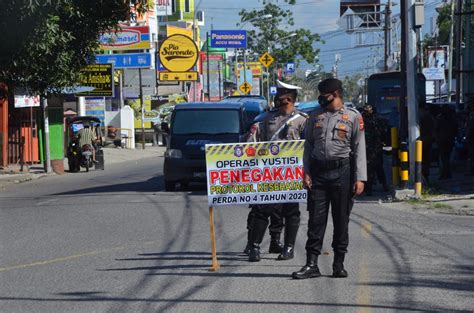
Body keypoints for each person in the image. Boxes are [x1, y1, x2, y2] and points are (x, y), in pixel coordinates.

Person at [292, 78, 366, 279]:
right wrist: (305, 171)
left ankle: (338, 264)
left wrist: (360, 178)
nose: (321, 99)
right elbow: (307, 146)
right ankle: (311, 264)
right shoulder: (315, 116)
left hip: (342, 173)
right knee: (316, 221)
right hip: (318, 174)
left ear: (336, 94)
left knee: (341, 220)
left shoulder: (352, 117)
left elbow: (359, 148)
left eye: (325, 96)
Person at [246, 80, 308, 262]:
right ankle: (254, 247)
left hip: (291, 173)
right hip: (268, 172)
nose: (278, 100)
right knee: (262, 208)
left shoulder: (303, 120)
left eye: (281, 97)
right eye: (277, 97)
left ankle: (288, 248)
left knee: (291, 210)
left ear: (290, 99)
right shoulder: (266, 119)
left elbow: (309, 146)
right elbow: (252, 142)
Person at [362, 105, 388, 195]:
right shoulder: (361, 120)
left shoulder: (377, 120)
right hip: (366, 148)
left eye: (368, 111)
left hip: (375, 148)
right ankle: (368, 188)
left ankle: (381, 186)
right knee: (370, 169)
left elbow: (384, 132)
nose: (367, 113)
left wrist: (383, 142)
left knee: (376, 168)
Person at [434, 105, 458, 179]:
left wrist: (436, 138)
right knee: (446, 158)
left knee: (444, 158)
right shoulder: (452, 119)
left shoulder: (439, 119)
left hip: (442, 140)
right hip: (449, 140)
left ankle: (444, 174)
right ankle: (448, 174)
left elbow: (436, 129)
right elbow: (456, 130)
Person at [419, 101, 435, 182]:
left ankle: (425, 175)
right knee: (424, 159)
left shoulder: (426, 118)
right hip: (425, 140)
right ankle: (424, 175)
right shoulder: (427, 117)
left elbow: (432, 130)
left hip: (425, 140)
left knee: (425, 159)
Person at [466, 99, 474, 175]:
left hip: (472, 137)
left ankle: (471, 170)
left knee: (471, 154)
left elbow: (470, 127)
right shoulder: (470, 115)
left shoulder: (472, 115)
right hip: (470, 137)